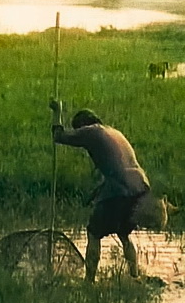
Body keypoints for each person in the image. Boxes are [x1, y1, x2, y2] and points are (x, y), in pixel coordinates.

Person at [50, 100, 149, 281]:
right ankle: (135, 277)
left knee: (94, 233)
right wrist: (97, 193)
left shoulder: (90, 132)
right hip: (140, 187)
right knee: (124, 233)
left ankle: (89, 281)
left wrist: (57, 111)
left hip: (121, 189)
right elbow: (119, 169)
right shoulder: (113, 131)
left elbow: (59, 136)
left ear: (82, 126)